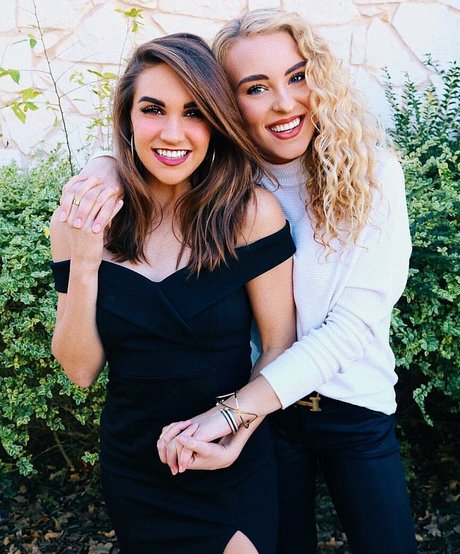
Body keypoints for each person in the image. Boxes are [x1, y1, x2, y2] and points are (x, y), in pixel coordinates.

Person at [57, 9, 418, 554]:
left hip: (348, 407)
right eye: (256, 87)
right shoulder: (236, 178)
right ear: (229, 105)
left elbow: (350, 329)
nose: (284, 102)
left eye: (298, 76)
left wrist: (233, 416)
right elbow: (163, 137)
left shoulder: (370, 178)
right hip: (262, 417)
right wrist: (105, 165)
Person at [50, 33, 296, 554]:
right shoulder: (81, 218)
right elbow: (80, 370)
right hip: (134, 468)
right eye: (153, 109)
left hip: (229, 461)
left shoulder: (250, 215)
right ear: (128, 118)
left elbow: (280, 346)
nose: (172, 133)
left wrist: (234, 433)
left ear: (217, 121)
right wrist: (86, 262)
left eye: (194, 112)